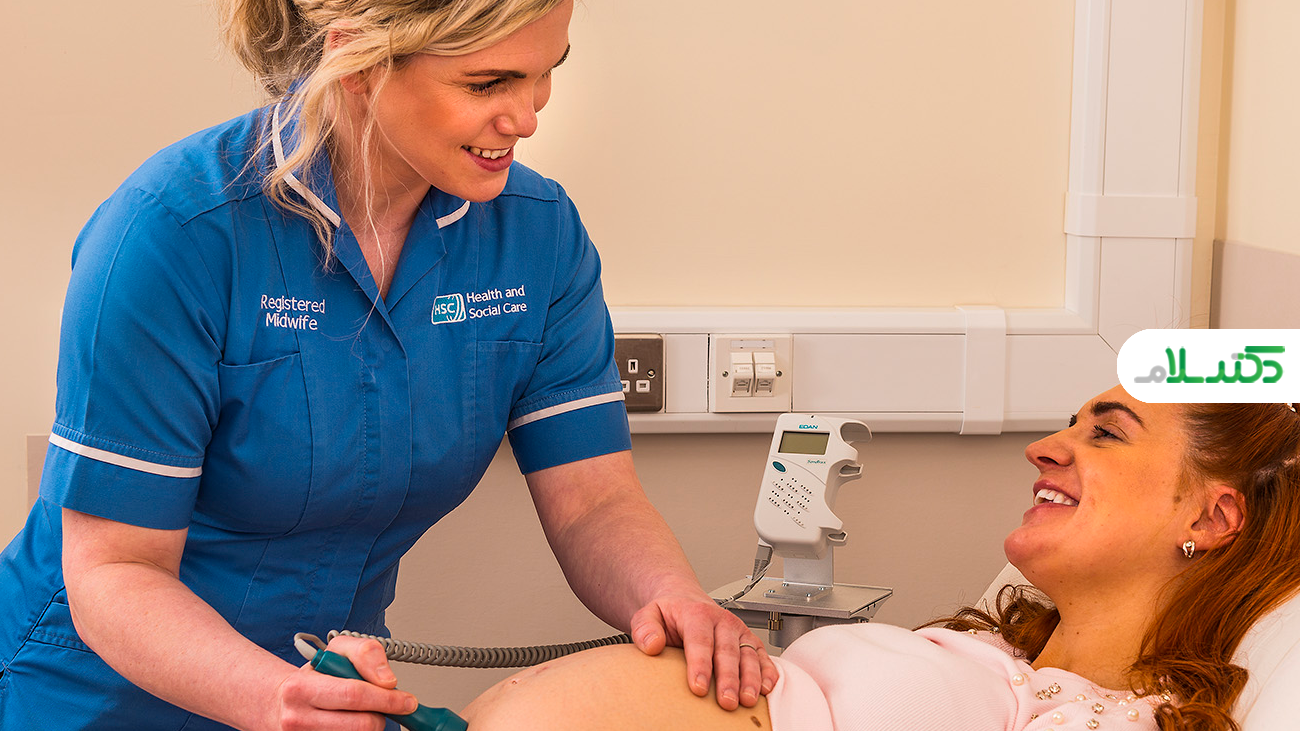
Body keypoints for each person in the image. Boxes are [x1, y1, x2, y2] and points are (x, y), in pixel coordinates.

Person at [0, 1, 777, 729]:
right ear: (359, 64)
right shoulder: (174, 234)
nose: (528, 115)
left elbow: (593, 503)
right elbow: (115, 572)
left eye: (547, 72)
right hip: (91, 692)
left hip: (326, 688)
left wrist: (673, 597)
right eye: (488, 83)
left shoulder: (537, 237)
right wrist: (274, 695)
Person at [444, 387, 1300, 731]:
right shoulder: (996, 654)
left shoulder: (1117, 719)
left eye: (1105, 434)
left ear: (1213, 514)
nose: (1044, 445)